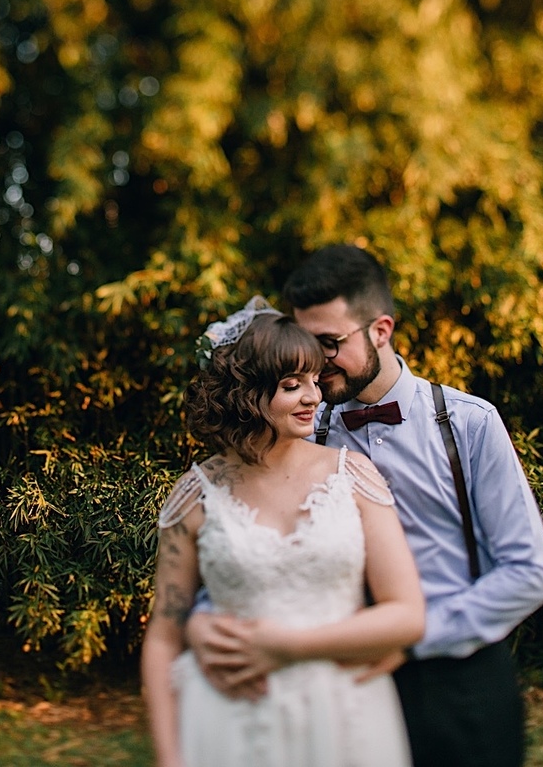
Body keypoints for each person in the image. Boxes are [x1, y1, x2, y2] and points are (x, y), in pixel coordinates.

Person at [188, 247, 543, 767]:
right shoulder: (298, 432)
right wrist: (205, 616)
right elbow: (250, 540)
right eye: (304, 344)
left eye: (328, 343)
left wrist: (411, 637)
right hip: (337, 688)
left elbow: (528, 571)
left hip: (458, 681)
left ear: (380, 330)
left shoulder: (468, 424)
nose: (314, 362)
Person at [141, 297, 425, 767]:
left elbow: (407, 615)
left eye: (314, 380)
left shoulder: (354, 475)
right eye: (293, 385)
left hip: (343, 712)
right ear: (244, 393)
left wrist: (287, 647)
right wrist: (169, 758)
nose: (314, 397)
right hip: (229, 719)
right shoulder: (195, 495)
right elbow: (163, 637)